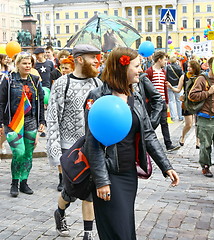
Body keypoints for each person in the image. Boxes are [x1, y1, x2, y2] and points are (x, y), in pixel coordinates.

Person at [83, 47, 179, 240]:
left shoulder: (133, 95)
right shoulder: (97, 96)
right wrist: (102, 181)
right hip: (108, 176)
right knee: (117, 233)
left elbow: (148, 135)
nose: (140, 70)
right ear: (122, 68)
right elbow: (92, 143)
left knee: (126, 230)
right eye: (136, 66)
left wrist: (166, 166)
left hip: (128, 175)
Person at [47, 44, 102, 240]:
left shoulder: (98, 83)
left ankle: (88, 234)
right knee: (70, 192)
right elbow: (53, 117)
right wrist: (55, 152)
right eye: (92, 58)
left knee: (90, 191)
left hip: (92, 145)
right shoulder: (63, 83)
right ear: (79, 59)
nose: (96, 61)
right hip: (68, 147)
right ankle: (60, 212)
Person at [0, 52, 45, 197]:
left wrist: (41, 121)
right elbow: (1, 102)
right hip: (13, 121)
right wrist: (1, 122)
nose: (27, 66)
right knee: (18, 152)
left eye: (29, 63)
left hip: (30, 120)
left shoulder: (35, 80)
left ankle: (24, 182)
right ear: (18, 64)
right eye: (24, 63)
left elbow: (40, 101)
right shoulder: (8, 79)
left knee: (28, 153)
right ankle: (14, 182)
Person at [145, 51, 180, 152]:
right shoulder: (149, 71)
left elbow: (164, 87)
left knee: (164, 123)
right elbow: (147, 88)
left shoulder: (163, 72)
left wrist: (167, 101)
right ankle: (147, 142)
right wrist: (148, 100)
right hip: (153, 102)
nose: (166, 61)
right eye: (164, 59)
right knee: (153, 123)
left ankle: (168, 144)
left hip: (163, 101)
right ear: (159, 59)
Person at [189, 57, 214, 178]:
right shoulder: (202, 79)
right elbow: (192, 95)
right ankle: (205, 166)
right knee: (205, 145)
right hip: (206, 118)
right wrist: (208, 92)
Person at [167, 60, 201, 148]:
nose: (188, 68)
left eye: (190, 67)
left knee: (198, 124)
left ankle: (198, 142)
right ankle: (182, 137)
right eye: (188, 66)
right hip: (187, 102)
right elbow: (178, 89)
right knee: (189, 124)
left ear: (195, 68)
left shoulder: (200, 77)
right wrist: (171, 87)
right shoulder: (184, 76)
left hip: (198, 101)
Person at [166, 56, 184, 121]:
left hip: (169, 85)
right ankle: (180, 116)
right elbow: (182, 76)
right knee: (178, 101)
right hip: (177, 85)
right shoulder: (179, 67)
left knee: (171, 101)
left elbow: (166, 76)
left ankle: (173, 116)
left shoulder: (167, 67)